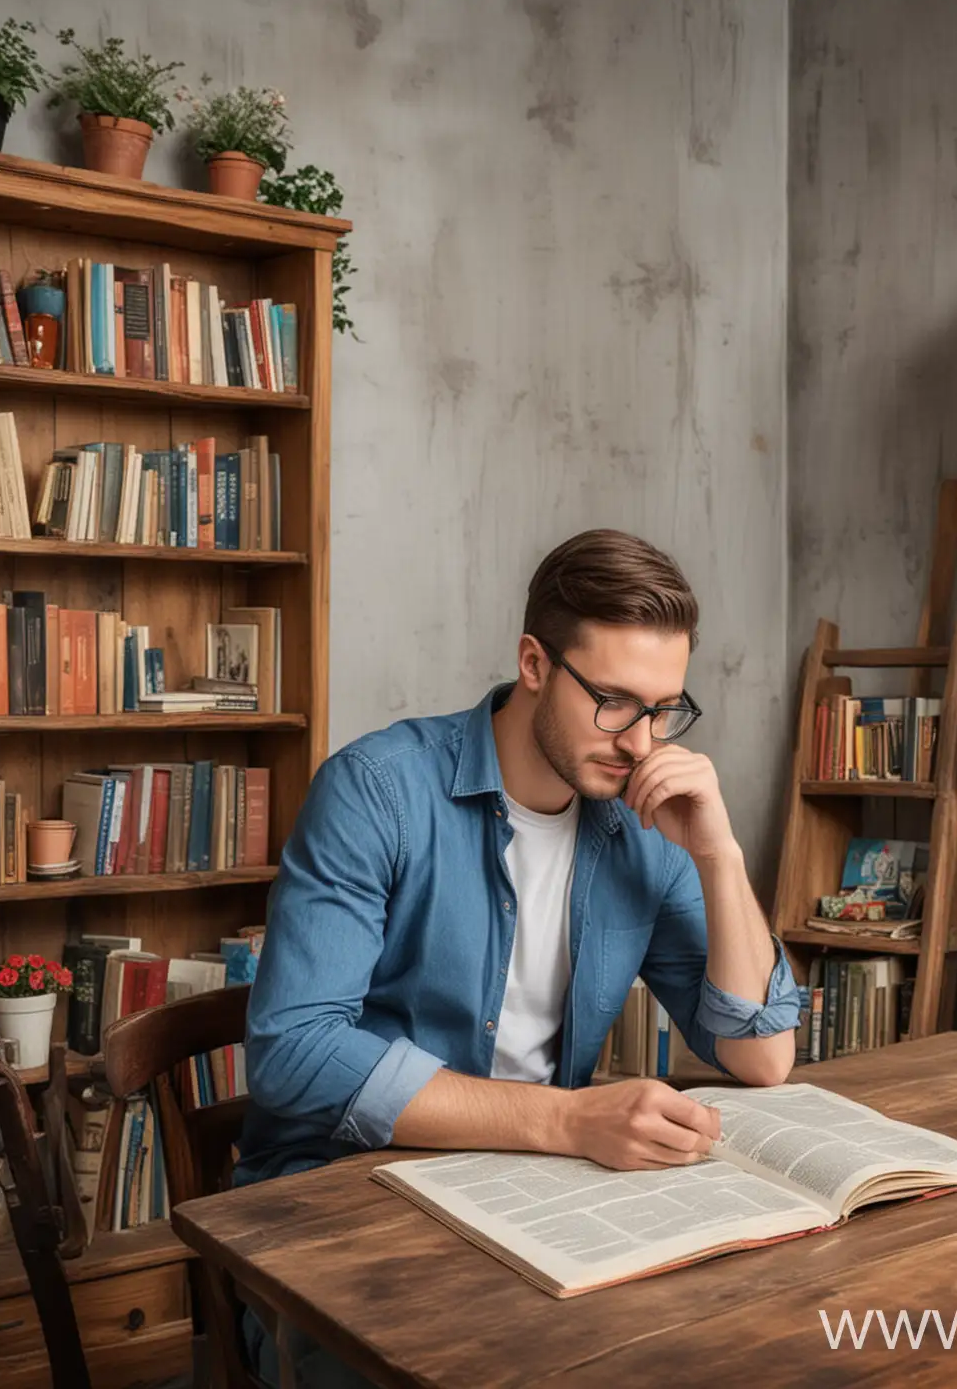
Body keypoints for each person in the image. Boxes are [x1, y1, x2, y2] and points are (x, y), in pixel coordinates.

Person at [234, 529, 802, 1386]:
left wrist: (719, 857)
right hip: (342, 1215)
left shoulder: (645, 823)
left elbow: (762, 1056)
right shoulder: (377, 790)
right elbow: (295, 1052)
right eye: (614, 701)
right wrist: (569, 1122)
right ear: (534, 663)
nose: (642, 742)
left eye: (664, 709)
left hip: (533, 1200)